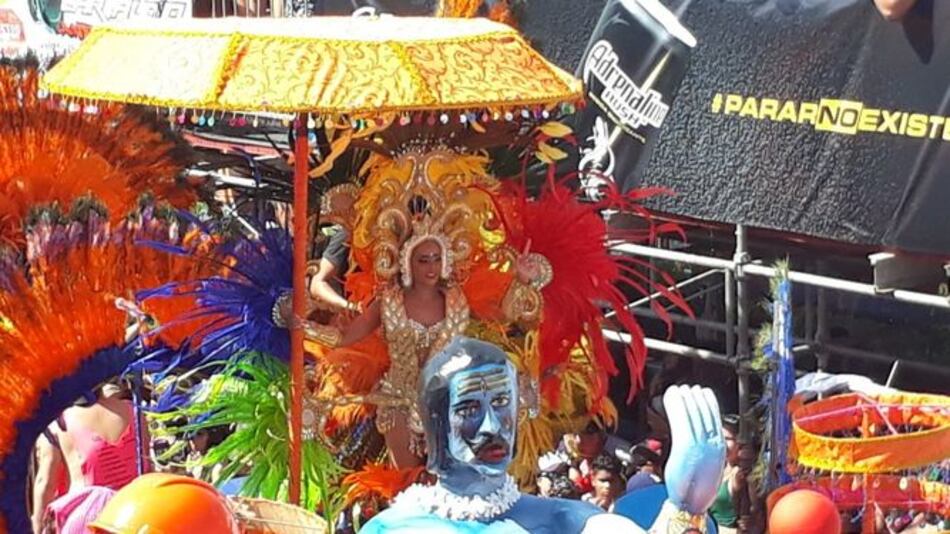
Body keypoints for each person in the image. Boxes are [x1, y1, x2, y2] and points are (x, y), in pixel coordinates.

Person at [361, 336, 727, 533]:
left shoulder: (565, 520)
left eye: (502, 402)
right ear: (430, 423)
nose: (491, 426)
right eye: (469, 409)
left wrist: (685, 509)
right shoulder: (394, 528)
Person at [31, 381, 149, 534]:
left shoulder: (61, 423)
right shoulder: (133, 411)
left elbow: (45, 484)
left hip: (88, 519)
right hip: (134, 513)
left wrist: (37, 526)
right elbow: (147, 465)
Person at [708, 414, 740, 534]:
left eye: (728, 439)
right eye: (720, 438)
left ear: (739, 442)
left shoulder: (740, 475)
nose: (723, 444)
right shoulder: (716, 468)